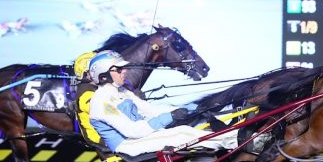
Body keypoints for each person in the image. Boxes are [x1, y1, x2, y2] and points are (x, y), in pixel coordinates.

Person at [87, 50, 238, 156]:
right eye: (119, 69)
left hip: (138, 139)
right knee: (182, 135)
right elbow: (133, 131)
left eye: (123, 68)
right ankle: (236, 141)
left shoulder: (122, 92)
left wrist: (187, 109)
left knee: (184, 130)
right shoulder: (101, 102)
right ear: (103, 76)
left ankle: (234, 138)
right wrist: (169, 117)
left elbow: (150, 110)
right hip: (127, 145)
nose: (124, 71)